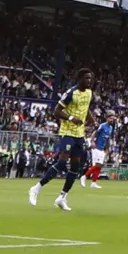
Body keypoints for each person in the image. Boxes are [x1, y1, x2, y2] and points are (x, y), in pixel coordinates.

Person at [33, 81, 91, 209]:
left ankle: (62, 197)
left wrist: (92, 119)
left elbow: (86, 108)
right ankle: (37, 187)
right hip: (67, 132)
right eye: (86, 78)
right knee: (62, 162)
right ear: (80, 78)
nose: (89, 81)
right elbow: (57, 111)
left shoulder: (89, 93)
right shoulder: (71, 93)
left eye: (91, 78)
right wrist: (71, 118)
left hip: (79, 135)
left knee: (76, 166)